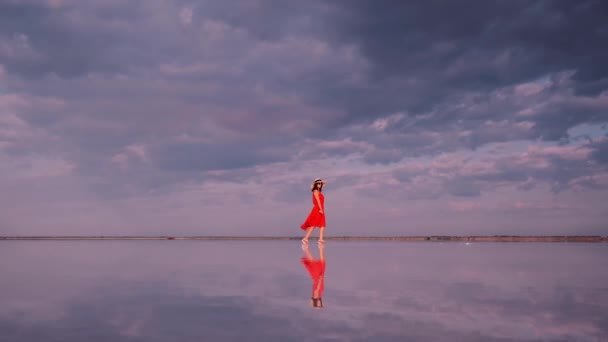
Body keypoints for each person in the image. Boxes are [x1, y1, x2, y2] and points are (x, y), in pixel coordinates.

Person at [300, 178, 326, 244]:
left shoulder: (319, 192)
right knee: (314, 225)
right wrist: (320, 209)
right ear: (316, 184)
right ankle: (305, 238)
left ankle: (320, 239)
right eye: (319, 183)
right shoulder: (315, 191)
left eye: (321, 183)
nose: (320, 184)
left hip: (321, 209)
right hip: (317, 209)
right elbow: (318, 200)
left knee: (322, 225)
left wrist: (321, 209)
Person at [301, 243, 325, 309]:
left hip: (317, 277)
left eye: (318, 305)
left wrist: (320, 280)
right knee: (322, 262)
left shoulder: (315, 297)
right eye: (320, 305)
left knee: (314, 263)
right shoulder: (318, 297)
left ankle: (305, 248)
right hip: (319, 278)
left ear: (316, 303)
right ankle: (320, 247)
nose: (320, 304)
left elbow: (316, 290)